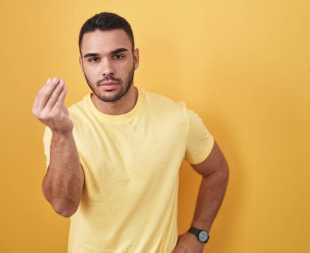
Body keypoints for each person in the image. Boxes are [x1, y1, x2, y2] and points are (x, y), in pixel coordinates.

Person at [32, 12, 229, 253]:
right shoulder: (65, 124)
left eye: (118, 56)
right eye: (94, 59)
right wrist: (62, 133)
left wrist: (199, 234)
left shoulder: (178, 119)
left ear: (135, 58)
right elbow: (64, 206)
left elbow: (217, 171)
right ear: (81, 64)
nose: (107, 69)